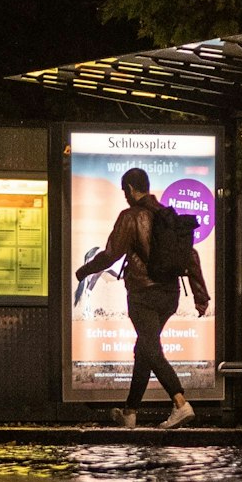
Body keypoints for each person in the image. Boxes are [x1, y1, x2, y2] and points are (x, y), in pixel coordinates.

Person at [75, 167, 210, 428]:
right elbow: (190, 255)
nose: (125, 196)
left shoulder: (131, 216)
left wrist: (84, 271)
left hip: (143, 294)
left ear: (129, 189)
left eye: (124, 191)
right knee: (144, 349)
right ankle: (130, 411)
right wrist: (200, 295)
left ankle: (180, 403)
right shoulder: (166, 215)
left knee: (150, 348)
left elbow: (111, 254)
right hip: (169, 295)